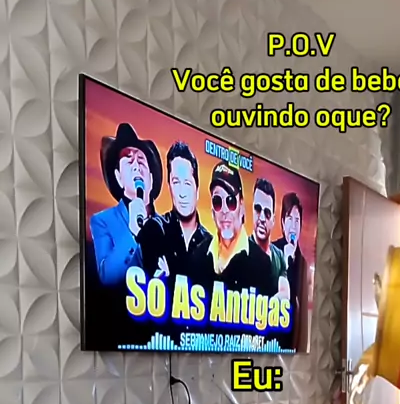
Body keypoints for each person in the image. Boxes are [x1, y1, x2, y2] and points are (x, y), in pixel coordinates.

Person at [190, 163, 285, 299]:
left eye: (230, 201)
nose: (224, 210)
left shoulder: (262, 264)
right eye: (217, 202)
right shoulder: (198, 256)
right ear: (212, 211)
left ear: (242, 206)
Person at [90, 123, 164, 286]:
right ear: (118, 177)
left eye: (141, 160)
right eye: (129, 160)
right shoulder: (102, 221)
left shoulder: (167, 227)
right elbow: (107, 277)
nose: (136, 166)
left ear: (151, 179)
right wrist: (132, 234)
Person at [137, 141, 211, 281]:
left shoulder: (210, 245)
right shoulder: (154, 230)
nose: (182, 193)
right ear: (169, 186)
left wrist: (169, 277)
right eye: (176, 182)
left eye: (187, 183)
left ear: (197, 189)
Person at [273, 192, 309, 351]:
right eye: (289, 219)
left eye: (297, 220)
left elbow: (304, 311)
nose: (293, 226)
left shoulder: (303, 263)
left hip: (291, 342)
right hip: (270, 335)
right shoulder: (271, 252)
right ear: (282, 223)